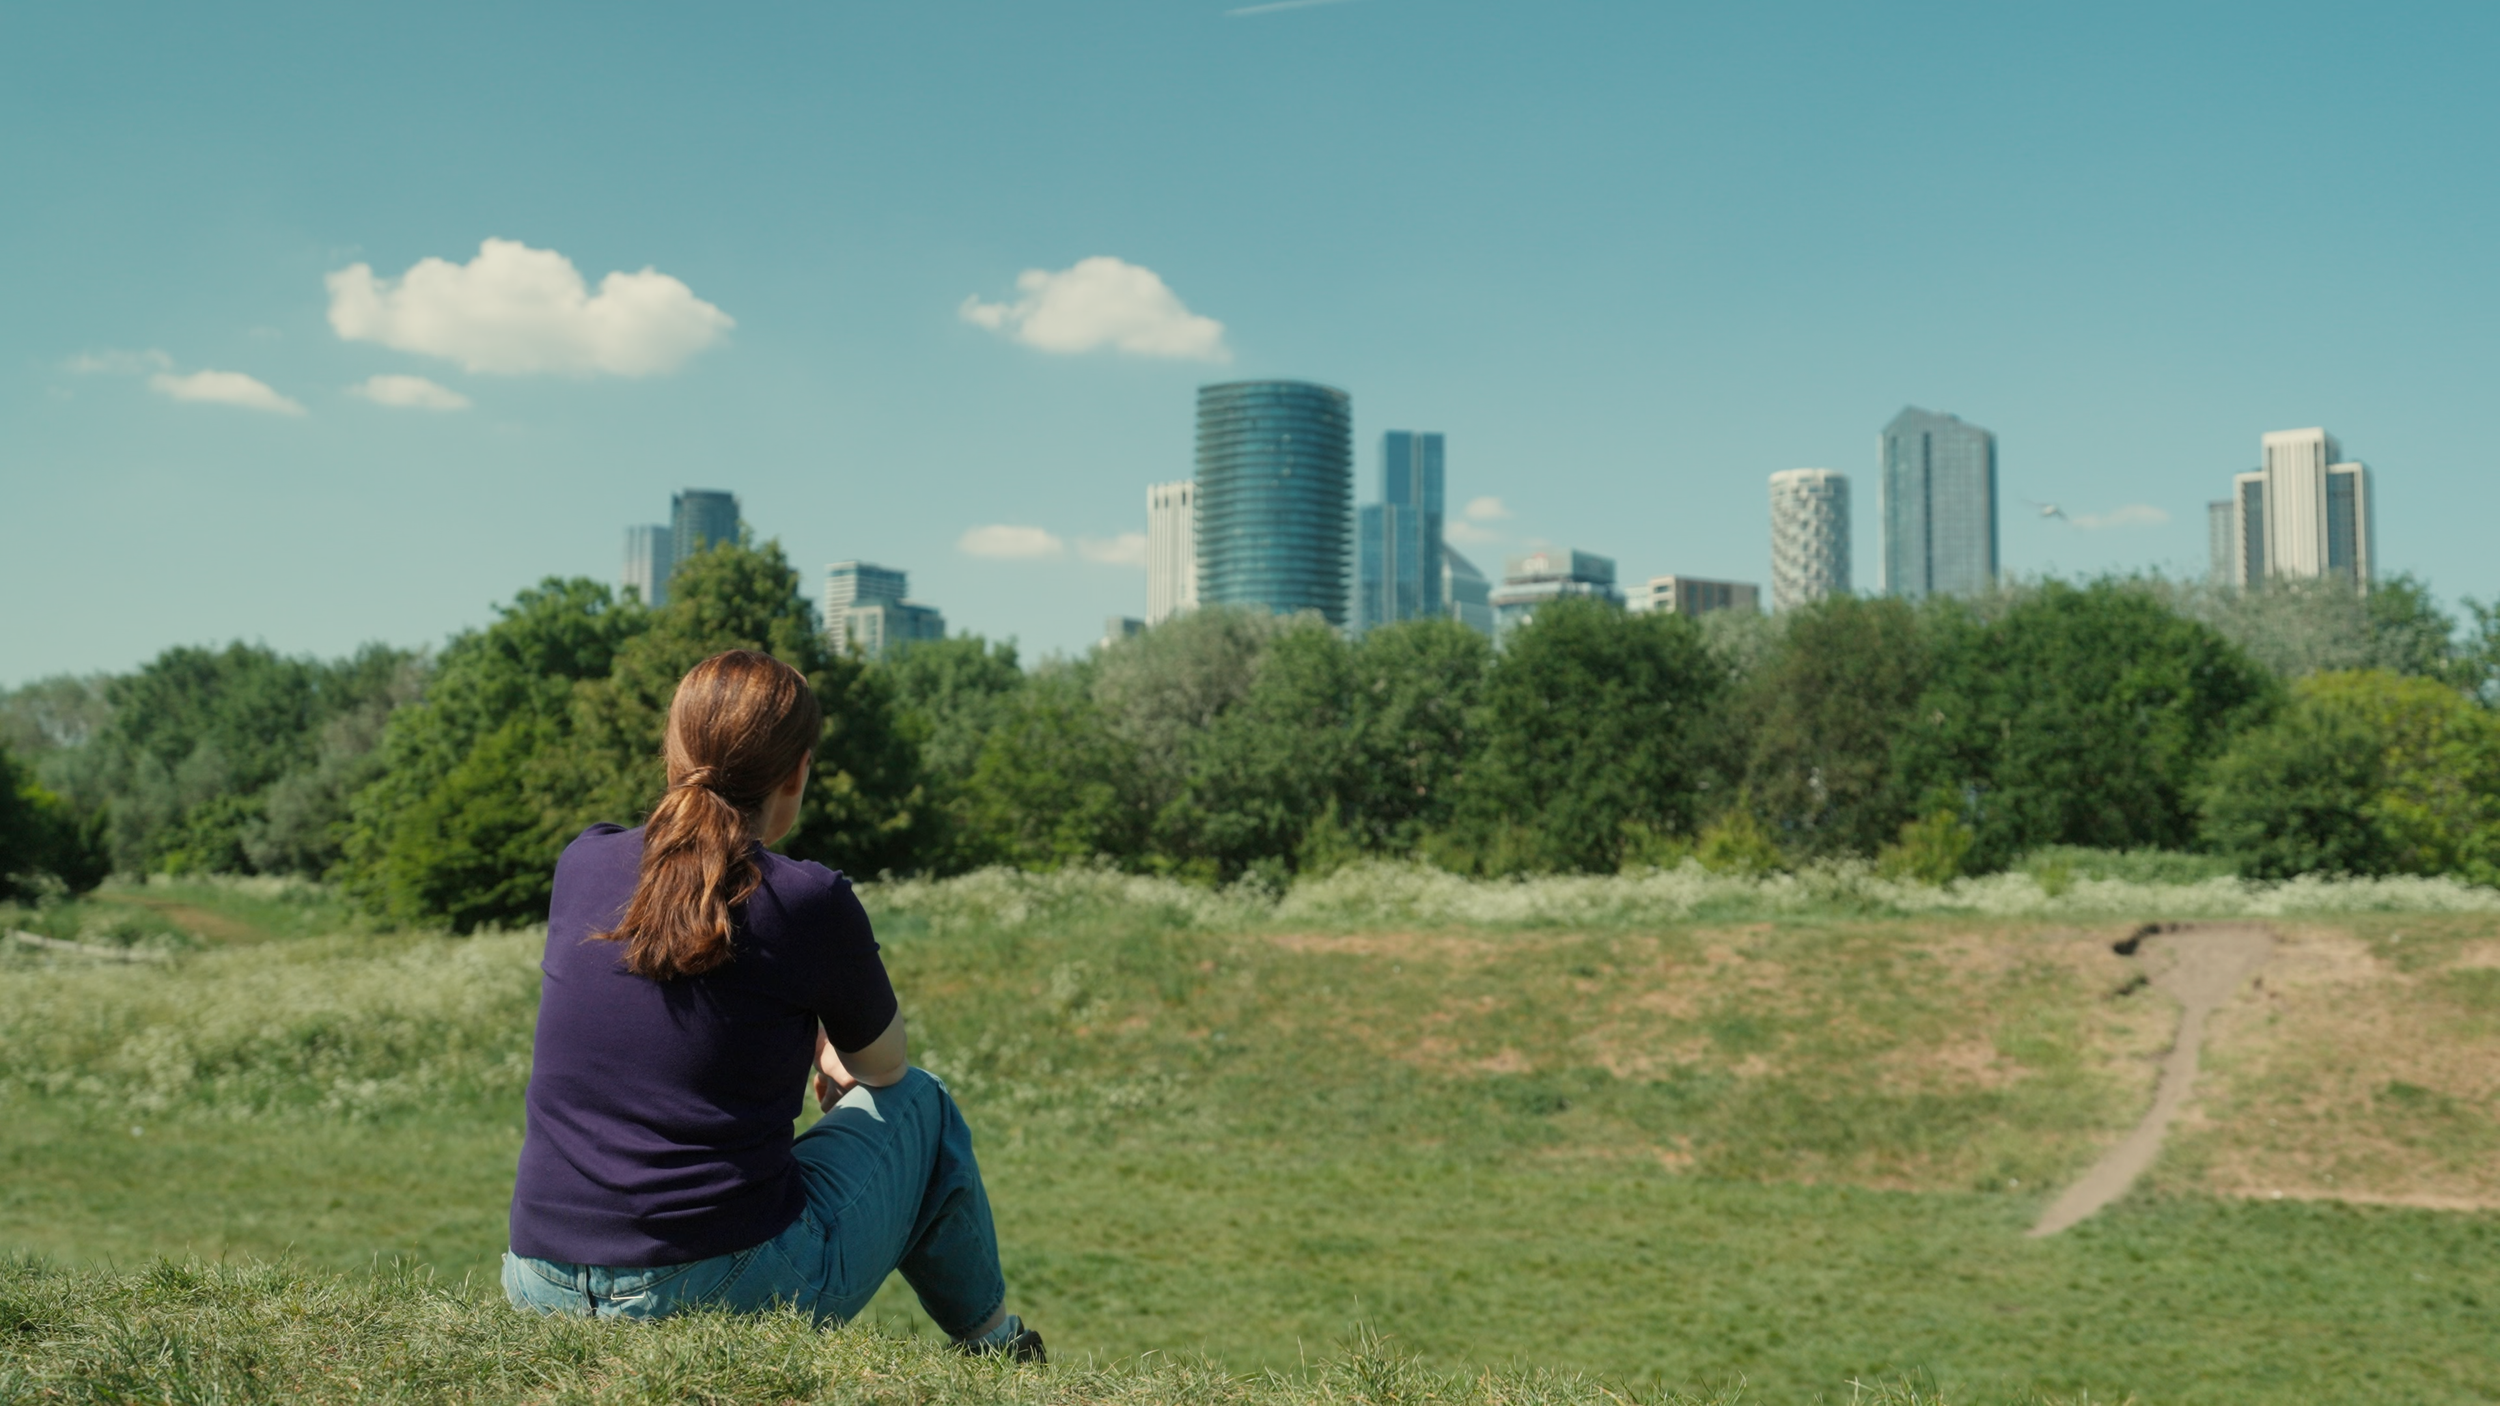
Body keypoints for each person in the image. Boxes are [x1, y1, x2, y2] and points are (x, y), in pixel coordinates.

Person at [501, 649, 1040, 1360]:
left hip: (539, 1281)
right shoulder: (809, 899)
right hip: (712, 1289)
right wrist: (826, 1043)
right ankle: (998, 1349)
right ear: (798, 772)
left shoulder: (584, 861)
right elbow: (882, 1071)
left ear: (673, 753)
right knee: (925, 1105)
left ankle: (996, 1348)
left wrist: (805, 1033)